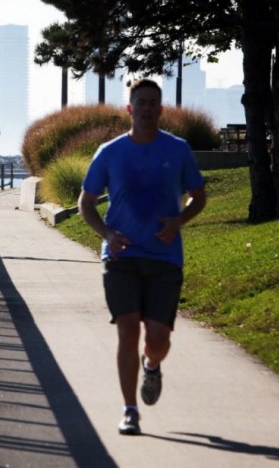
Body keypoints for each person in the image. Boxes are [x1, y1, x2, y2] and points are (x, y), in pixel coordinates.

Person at [77, 78, 207, 436]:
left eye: (154, 103)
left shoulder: (178, 150)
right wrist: (107, 234)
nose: (147, 108)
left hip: (165, 257)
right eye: (141, 103)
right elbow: (85, 204)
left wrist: (178, 220)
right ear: (129, 109)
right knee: (127, 331)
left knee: (157, 340)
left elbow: (199, 195)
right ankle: (129, 409)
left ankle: (152, 366)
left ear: (160, 110)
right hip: (121, 257)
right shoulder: (110, 152)